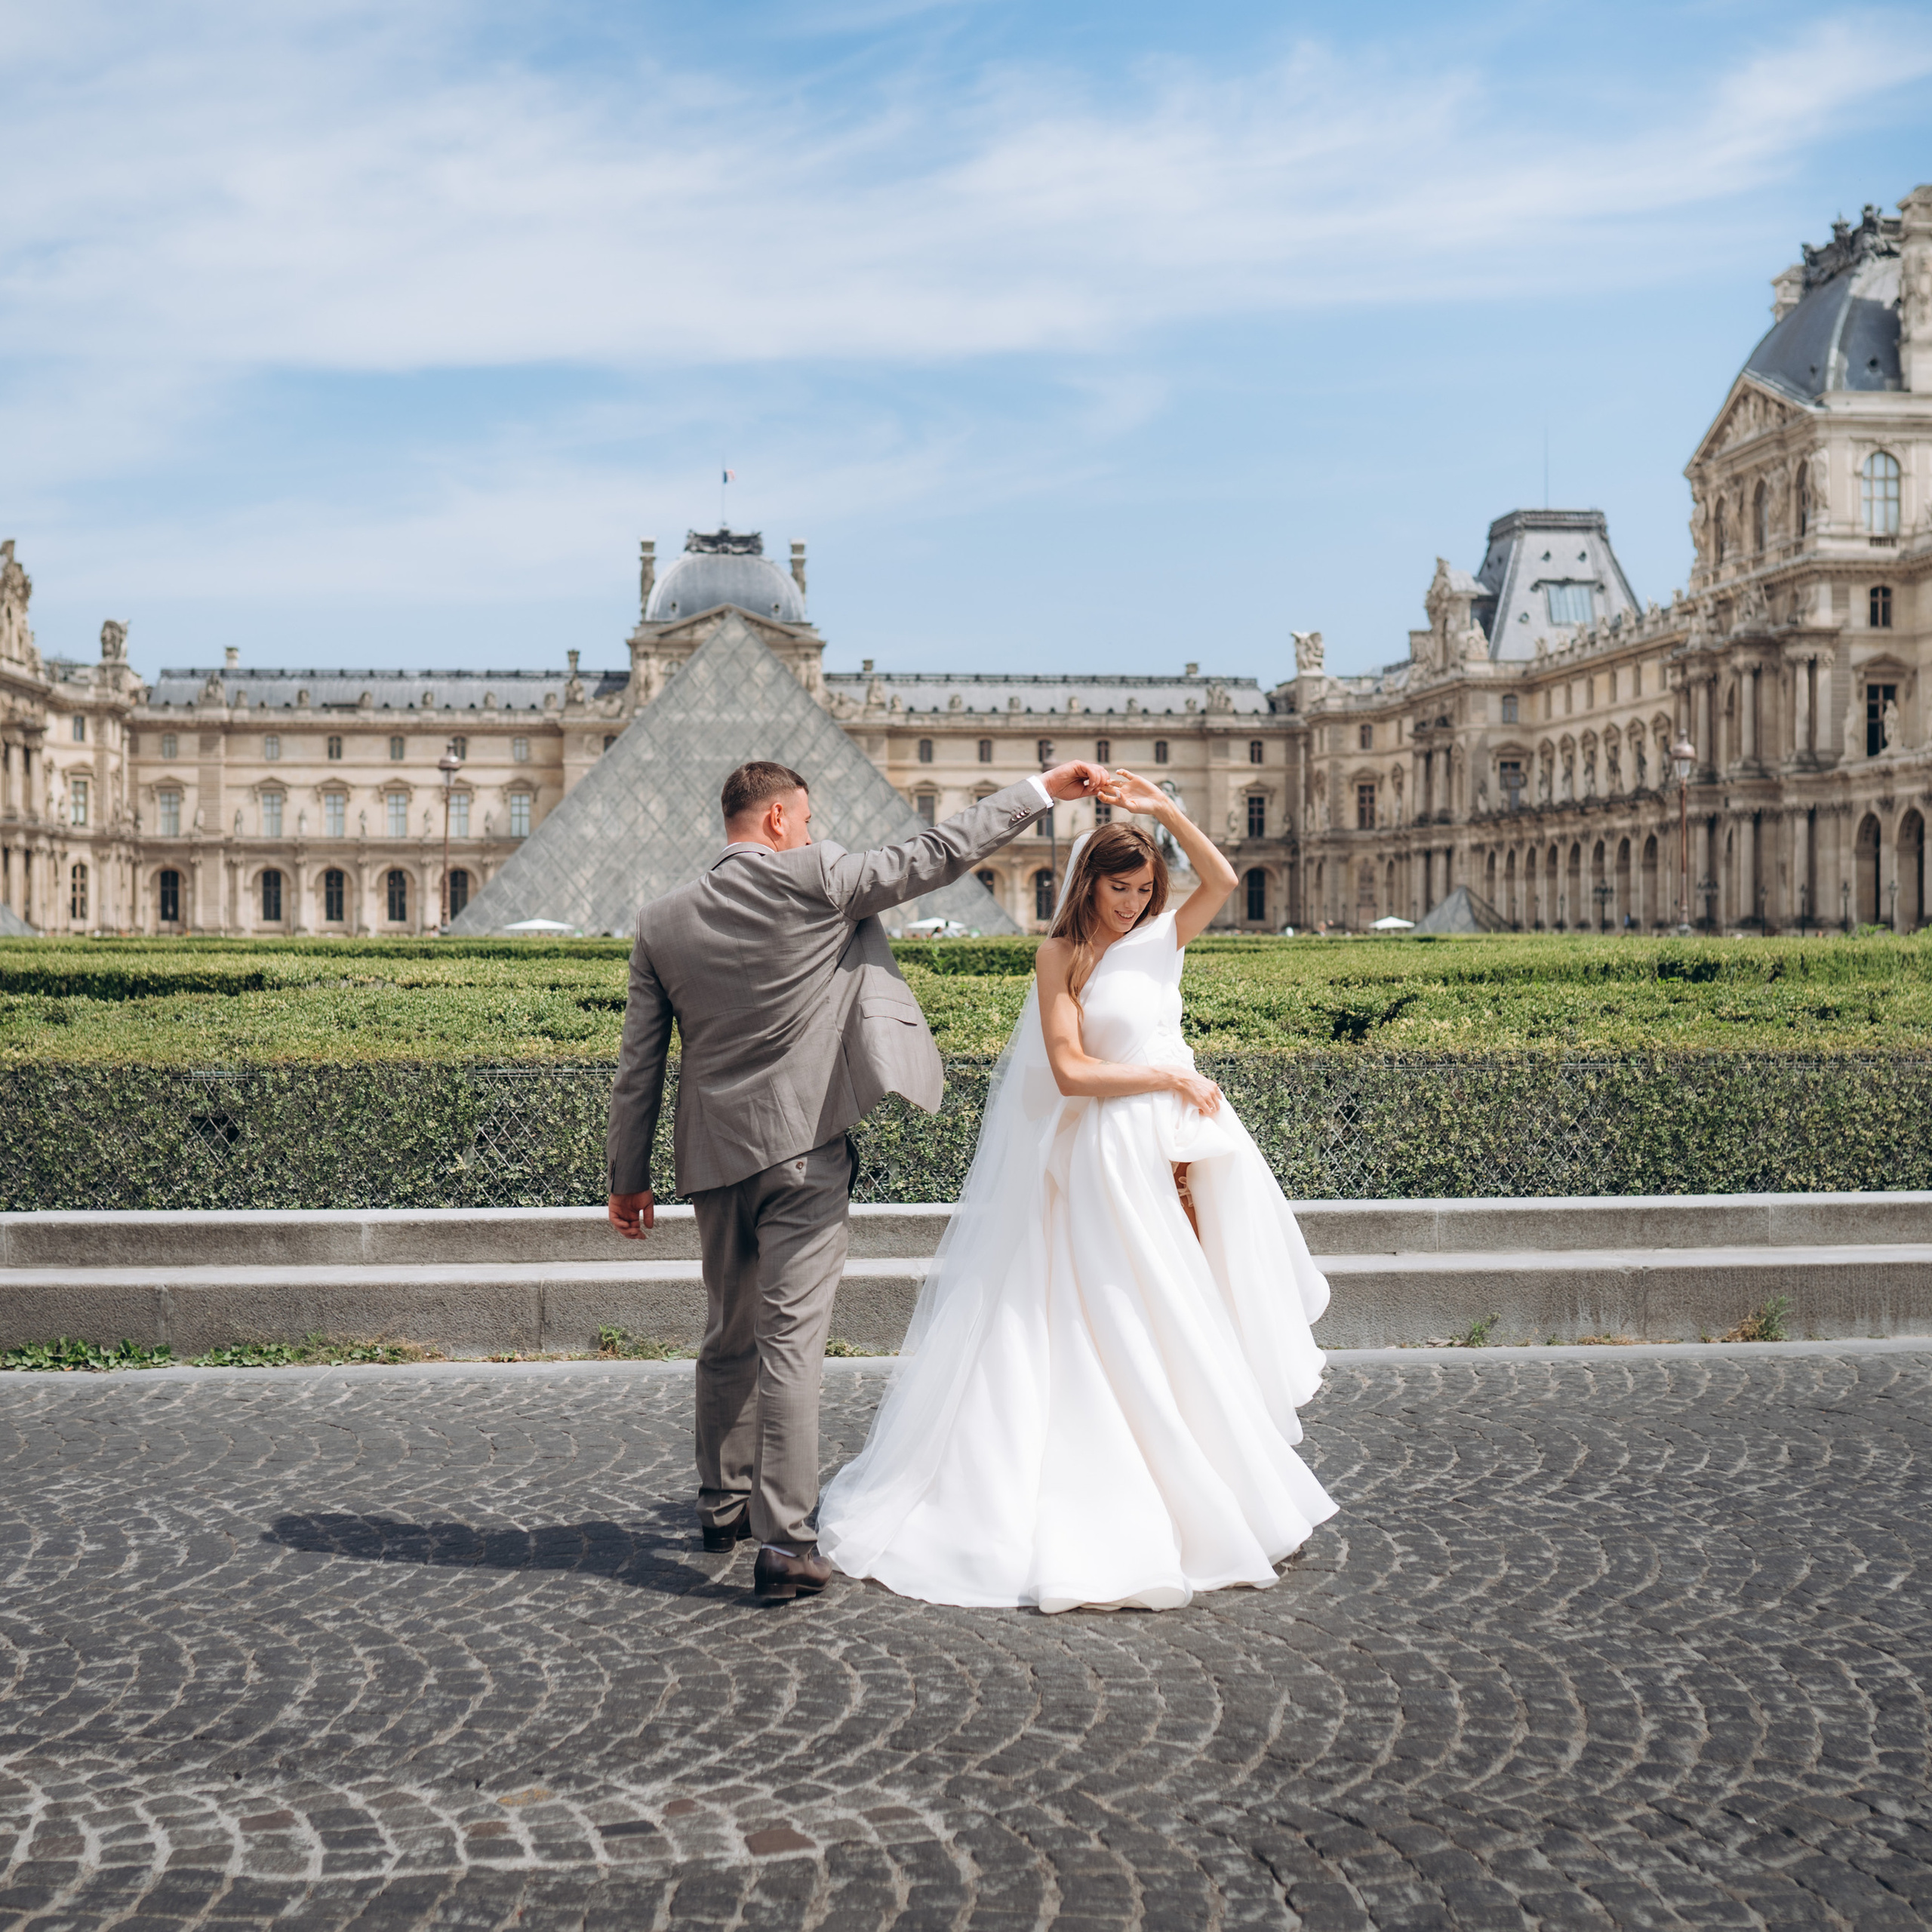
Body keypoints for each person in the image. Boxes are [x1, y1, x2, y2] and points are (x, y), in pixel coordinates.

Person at [818, 771, 1337, 1612]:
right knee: (1108, 1311)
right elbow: (1069, 1070)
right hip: (1100, 1154)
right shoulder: (1060, 954)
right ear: (1086, 881)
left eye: (1143, 889)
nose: (1132, 903)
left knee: (1172, 1313)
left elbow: (1226, 881)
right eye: (1118, 886)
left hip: (1163, 1149)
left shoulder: (1165, 939)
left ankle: (1201, 1488)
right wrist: (1164, 1078)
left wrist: (1164, 810)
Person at [605, 755, 1110, 1605]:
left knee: (727, 1330)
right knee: (790, 1348)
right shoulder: (818, 878)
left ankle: (721, 1503)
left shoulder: (662, 921)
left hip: (713, 1161)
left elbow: (638, 1066)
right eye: (803, 818)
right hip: (804, 1153)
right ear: (776, 819)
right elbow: (938, 851)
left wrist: (628, 1176)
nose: (809, 829)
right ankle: (788, 1544)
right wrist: (1039, 792)